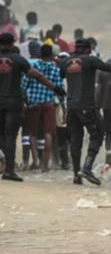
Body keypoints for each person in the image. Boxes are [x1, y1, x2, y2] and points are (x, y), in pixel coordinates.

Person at [60, 39, 111, 185]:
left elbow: (62, 76)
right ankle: (86, 167)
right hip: (86, 105)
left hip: (71, 107)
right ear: (87, 49)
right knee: (98, 135)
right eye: (90, 49)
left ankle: (76, 175)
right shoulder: (91, 60)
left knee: (75, 140)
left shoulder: (65, 62)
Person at [0, 33, 65, 182]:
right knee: (10, 135)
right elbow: (37, 76)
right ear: (12, 43)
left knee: (2, 135)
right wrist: (55, 88)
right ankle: (9, 169)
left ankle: (5, 161)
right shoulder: (19, 60)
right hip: (14, 103)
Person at [21, 44, 64, 172]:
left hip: (33, 103)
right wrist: (60, 103)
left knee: (32, 133)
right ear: (51, 55)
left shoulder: (33, 67)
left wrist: (25, 100)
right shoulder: (55, 69)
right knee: (48, 133)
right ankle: (45, 165)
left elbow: (24, 84)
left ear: (40, 54)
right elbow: (60, 88)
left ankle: (35, 162)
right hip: (49, 104)